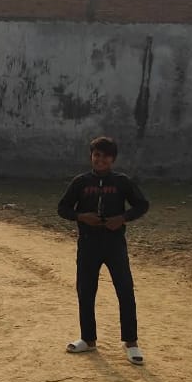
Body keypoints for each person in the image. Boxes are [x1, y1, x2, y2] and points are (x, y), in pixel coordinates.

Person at [58, 136, 149, 364]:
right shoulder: (81, 182)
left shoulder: (121, 182)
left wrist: (123, 218)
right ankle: (88, 339)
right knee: (86, 291)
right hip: (88, 244)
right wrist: (81, 217)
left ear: (113, 159)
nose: (100, 160)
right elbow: (63, 208)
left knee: (125, 290)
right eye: (96, 155)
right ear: (91, 156)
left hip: (114, 244)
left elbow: (142, 205)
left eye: (106, 156)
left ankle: (131, 343)